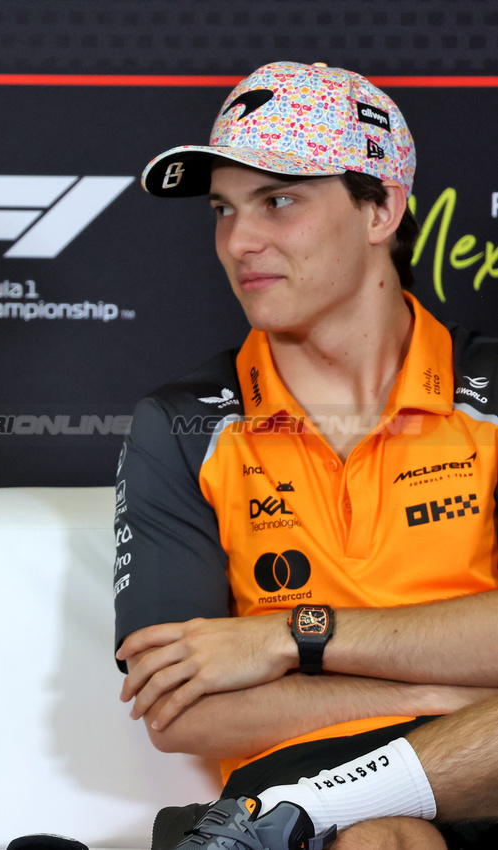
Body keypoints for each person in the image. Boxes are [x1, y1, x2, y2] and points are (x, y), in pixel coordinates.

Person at [111, 61, 498, 850]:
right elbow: (182, 709)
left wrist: (286, 637)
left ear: (380, 208)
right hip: (302, 779)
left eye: (277, 201)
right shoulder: (184, 422)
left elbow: (242, 669)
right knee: (377, 840)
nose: (237, 242)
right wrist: (446, 691)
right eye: (223, 210)